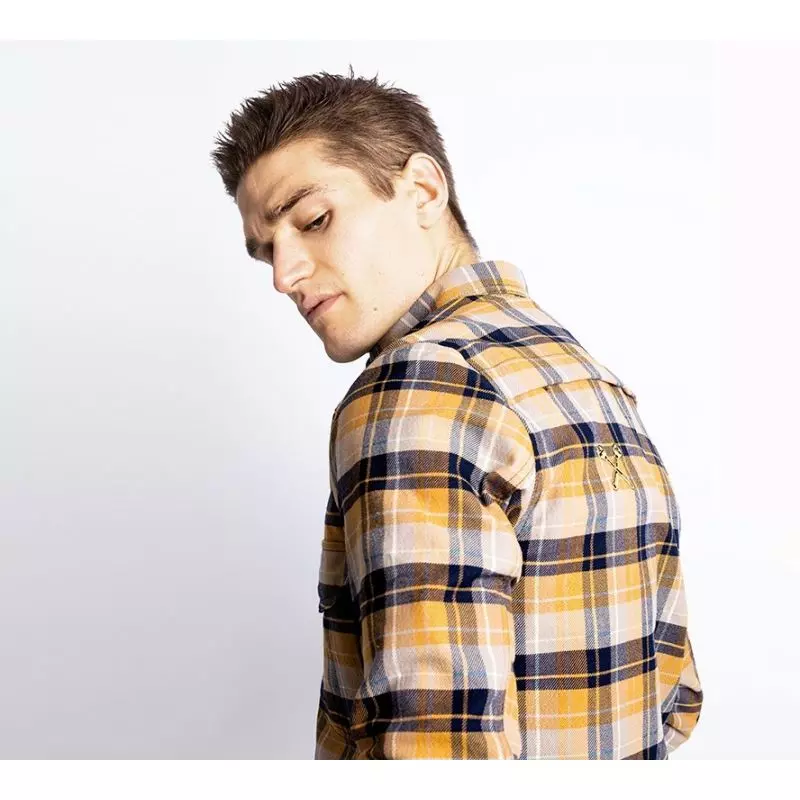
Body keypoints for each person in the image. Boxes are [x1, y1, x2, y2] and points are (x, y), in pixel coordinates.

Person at [210, 66, 703, 759]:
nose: (283, 274)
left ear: (422, 190)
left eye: (314, 220)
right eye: (266, 250)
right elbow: (675, 704)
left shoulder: (419, 387)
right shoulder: (580, 374)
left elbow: (436, 747)